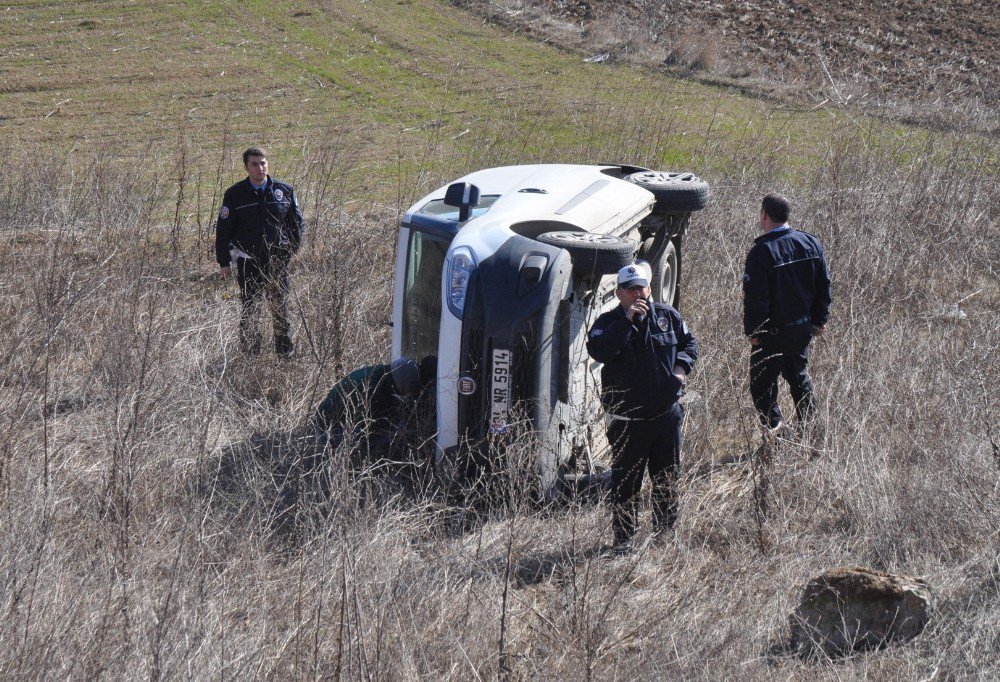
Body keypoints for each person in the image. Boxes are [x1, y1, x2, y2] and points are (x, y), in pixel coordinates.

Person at [587, 262, 699, 552]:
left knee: (667, 477)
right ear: (619, 293)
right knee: (626, 484)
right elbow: (600, 351)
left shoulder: (667, 316)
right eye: (631, 288)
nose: (639, 293)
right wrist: (626, 322)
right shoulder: (606, 323)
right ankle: (624, 541)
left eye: (643, 287)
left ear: (650, 288)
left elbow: (690, 345)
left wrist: (680, 371)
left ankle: (665, 537)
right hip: (628, 422)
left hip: (665, 416)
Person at [743, 193, 831, 435]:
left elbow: (756, 299)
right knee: (799, 379)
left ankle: (776, 433)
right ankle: (809, 432)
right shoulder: (811, 243)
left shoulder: (761, 252)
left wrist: (754, 332)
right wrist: (819, 319)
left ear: (764, 215)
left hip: (771, 334)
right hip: (802, 329)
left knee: (762, 387)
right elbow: (823, 286)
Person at [215, 147, 303, 357]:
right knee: (250, 310)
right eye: (254, 164)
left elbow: (296, 224)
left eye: (263, 163)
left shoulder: (284, 191)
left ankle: (285, 357)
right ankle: (251, 358)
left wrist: (291, 250)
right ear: (246, 167)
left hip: (277, 262)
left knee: (280, 310)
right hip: (249, 262)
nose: (260, 168)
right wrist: (224, 262)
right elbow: (223, 229)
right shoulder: (235, 194)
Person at [311, 357, 422, 467]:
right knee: (370, 449)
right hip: (329, 425)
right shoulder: (374, 387)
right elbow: (369, 426)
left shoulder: (384, 374)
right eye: (412, 385)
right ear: (402, 382)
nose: (411, 392)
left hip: (332, 418)